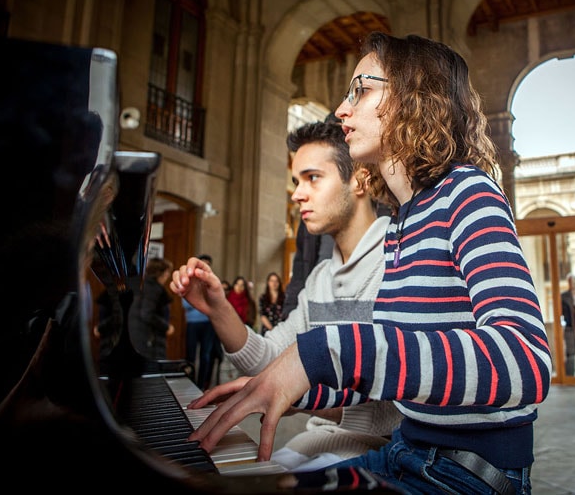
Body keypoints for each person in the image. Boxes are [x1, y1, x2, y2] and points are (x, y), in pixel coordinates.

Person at [186, 32, 550, 495]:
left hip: (467, 472)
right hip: (408, 450)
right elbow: (386, 375)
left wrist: (321, 352)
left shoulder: (468, 193)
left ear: (416, 97)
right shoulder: (403, 221)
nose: (342, 109)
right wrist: (279, 386)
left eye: (361, 89)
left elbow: (525, 362)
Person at [171, 119, 402, 472]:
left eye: (312, 178)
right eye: (296, 181)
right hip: (319, 443)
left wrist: (299, 394)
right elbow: (270, 361)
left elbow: (403, 403)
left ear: (359, 179)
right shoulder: (321, 279)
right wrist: (218, 308)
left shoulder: (400, 265)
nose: (296, 194)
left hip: (387, 459)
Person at [183, 254, 219, 390]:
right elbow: (186, 304)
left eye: (208, 263)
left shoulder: (212, 282)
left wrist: (198, 301)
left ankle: (201, 385)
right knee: (190, 355)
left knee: (205, 355)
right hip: (192, 323)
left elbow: (213, 303)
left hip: (207, 323)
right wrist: (201, 301)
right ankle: (189, 382)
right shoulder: (189, 281)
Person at [128, 257, 174, 359]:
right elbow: (147, 314)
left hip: (139, 337)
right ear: (160, 273)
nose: (168, 275)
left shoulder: (142, 285)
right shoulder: (153, 288)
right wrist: (166, 327)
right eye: (167, 272)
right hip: (149, 340)